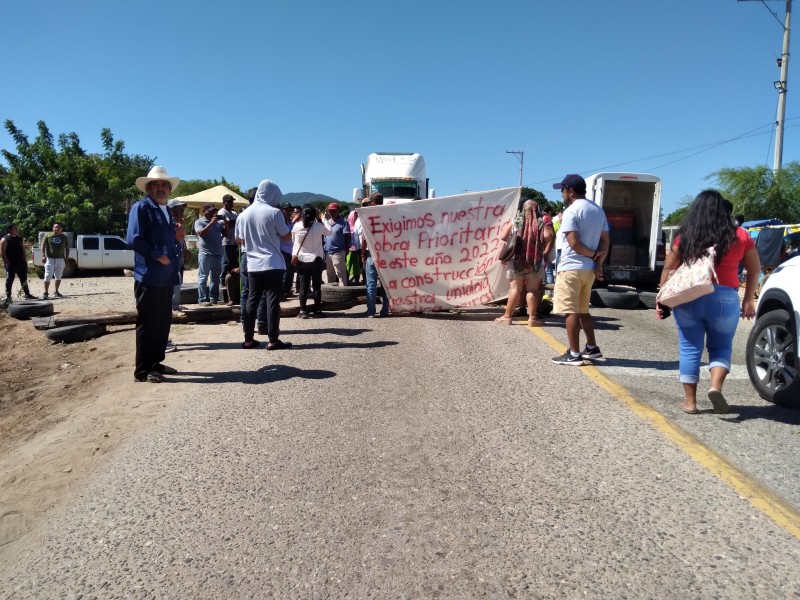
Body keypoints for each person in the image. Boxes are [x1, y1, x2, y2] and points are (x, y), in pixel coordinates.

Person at [657, 190, 760, 414]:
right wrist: (749, 300)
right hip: (725, 299)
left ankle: (690, 403)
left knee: (690, 348)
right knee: (721, 346)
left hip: (689, 297)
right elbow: (754, 269)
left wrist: (662, 299)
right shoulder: (740, 235)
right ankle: (715, 387)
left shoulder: (685, 235)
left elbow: (669, 268)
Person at [126, 166, 181, 383]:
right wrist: (157, 255)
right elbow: (134, 240)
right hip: (148, 275)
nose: (160, 188)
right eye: (156, 184)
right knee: (148, 322)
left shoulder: (166, 210)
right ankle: (143, 370)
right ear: (149, 188)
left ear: (169, 188)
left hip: (166, 276)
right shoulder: (141, 208)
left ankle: (156, 362)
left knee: (163, 321)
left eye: (164, 184)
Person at [551, 174, 609, 365]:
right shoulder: (598, 210)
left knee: (571, 311)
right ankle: (592, 347)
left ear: (571, 191)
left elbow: (573, 242)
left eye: (563, 190)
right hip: (588, 269)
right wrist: (598, 263)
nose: (562, 194)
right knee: (583, 309)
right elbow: (605, 240)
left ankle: (574, 354)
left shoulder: (571, 211)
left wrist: (592, 255)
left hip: (571, 267)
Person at [235, 179, 294, 350]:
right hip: (272, 262)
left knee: (251, 300)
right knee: (272, 301)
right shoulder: (274, 212)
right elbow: (286, 237)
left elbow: (238, 239)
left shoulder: (243, 214)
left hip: (252, 263)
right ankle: (273, 339)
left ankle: (248, 339)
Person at [496, 199, 548, 326]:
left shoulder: (515, 221)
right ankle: (532, 319)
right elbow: (547, 237)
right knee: (532, 290)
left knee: (515, 289)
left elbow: (503, 237)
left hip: (516, 261)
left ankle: (507, 317)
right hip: (535, 262)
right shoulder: (542, 222)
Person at [292, 205, 332, 318]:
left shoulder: (296, 226)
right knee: (316, 286)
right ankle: (317, 310)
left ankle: (302, 311)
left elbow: (294, 241)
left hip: (302, 259)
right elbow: (330, 232)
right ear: (315, 215)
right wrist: (323, 219)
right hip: (316, 259)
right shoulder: (318, 226)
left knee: (304, 286)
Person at [359, 192, 389, 317]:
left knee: (371, 284)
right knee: (385, 284)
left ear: (372, 202)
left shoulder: (368, 216)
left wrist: (362, 254)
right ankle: (385, 310)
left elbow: (365, 239)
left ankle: (371, 311)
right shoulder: (388, 215)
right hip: (386, 255)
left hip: (371, 254)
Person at [194, 202, 225, 305]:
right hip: (205, 254)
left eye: (214, 211)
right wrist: (211, 223)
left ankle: (214, 298)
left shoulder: (218, 223)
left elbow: (226, 235)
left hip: (217, 253)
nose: (213, 213)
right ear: (204, 212)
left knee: (216, 278)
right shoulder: (199, 222)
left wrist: (226, 226)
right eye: (210, 211)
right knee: (203, 277)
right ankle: (202, 299)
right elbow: (201, 234)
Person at [1, 224, 37, 301]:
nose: (16, 230)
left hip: (21, 262)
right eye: (14, 229)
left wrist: (24, 258)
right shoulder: (5, 239)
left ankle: (27, 294)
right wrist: (7, 262)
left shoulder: (19, 238)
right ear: (9, 230)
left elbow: (22, 248)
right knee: (10, 279)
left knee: (24, 279)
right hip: (11, 263)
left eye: (17, 229)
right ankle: (8, 296)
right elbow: (2, 253)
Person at [323, 202, 351, 286]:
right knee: (330, 274)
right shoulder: (327, 222)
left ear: (338, 211)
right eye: (330, 211)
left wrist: (346, 248)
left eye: (334, 211)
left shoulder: (344, 222)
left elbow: (347, 236)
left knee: (340, 274)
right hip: (328, 252)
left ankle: (343, 293)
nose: (332, 212)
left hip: (338, 251)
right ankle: (331, 295)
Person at [40, 222, 70, 299]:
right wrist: (43, 255)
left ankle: (56, 291)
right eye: (55, 227)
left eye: (59, 227)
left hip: (60, 259)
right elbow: (43, 245)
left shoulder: (64, 237)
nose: (57, 229)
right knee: (47, 275)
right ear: (53, 228)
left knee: (58, 276)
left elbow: (67, 248)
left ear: (61, 229)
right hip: (50, 259)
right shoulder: (48, 235)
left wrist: (66, 258)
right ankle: (46, 292)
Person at [217, 194, 239, 296]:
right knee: (226, 262)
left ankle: (232, 281)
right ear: (224, 202)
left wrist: (232, 222)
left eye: (232, 201)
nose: (231, 203)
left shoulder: (234, 212)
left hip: (234, 241)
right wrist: (231, 222)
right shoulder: (222, 212)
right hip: (226, 241)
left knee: (234, 263)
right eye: (229, 201)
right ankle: (222, 281)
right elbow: (227, 224)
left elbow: (236, 222)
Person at [279, 202, 296, 300]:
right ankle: (283, 293)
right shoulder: (281, 221)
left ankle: (287, 291)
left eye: (290, 210)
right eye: (287, 210)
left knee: (290, 272)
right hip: (283, 249)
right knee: (285, 272)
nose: (289, 212)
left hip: (291, 250)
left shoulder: (290, 221)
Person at [346, 208, 363, 284]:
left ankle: (357, 281)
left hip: (357, 250)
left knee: (357, 267)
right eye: (355, 216)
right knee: (347, 266)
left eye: (357, 216)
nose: (356, 217)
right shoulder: (347, 226)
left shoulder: (359, 225)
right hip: (349, 250)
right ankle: (346, 281)